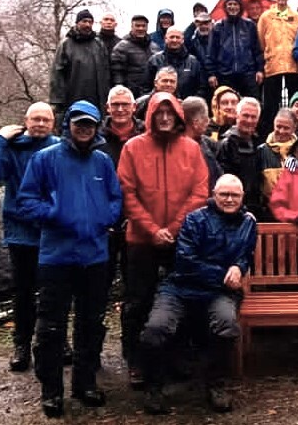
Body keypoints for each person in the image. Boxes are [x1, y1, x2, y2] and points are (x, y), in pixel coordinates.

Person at [17, 101, 122, 417]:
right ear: (69, 126)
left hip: (95, 255)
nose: (84, 129)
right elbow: (26, 200)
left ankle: (85, 383)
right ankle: (51, 391)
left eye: (89, 125)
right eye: (79, 124)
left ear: (95, 128)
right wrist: (54, 215)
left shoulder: (103, 162)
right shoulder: (45, 159)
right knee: (51, 327)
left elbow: (116, 197)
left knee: (91, 324)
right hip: (57, 257)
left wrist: (107, 217)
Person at [139, 174, 257, 415]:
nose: (229, 199)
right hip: (180, 287)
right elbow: (185, 261)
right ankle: (154, 387)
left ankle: (216, 384)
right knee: (155, 329)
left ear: (243, 197)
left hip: (220, 292)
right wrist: (226, 273)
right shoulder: (195, 219)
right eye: (224, 194)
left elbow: (246, 254)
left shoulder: (248, 222)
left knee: (226, 325)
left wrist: (239, 267)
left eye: (235, 195)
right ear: (214, 195)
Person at [117, 92, 209, 388]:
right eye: (160, 113)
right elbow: (127, 193)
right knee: (137, 301)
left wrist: (173, 226)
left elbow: (200, 191)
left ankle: (175, 355)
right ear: (151, 116)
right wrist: (152, 229)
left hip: (181, 239)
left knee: (180, 298)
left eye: (171, 114)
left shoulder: (191, 149)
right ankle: (137, 361)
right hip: (141, 239)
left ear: (179, 117)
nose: (165, 118)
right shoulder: (133, 147)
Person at [0, 102, 60, 372]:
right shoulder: (12, 148)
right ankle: (21, 345)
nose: (39, 124)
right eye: (35, 119)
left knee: (55, 291)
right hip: (21, 233)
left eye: (45, 120)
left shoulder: (60, 147)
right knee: (24, 293)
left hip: (52, 231)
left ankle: (57, 341)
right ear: (26, 121)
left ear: (53, 123)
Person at [98, 86, 145, 291]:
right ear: (107, 108)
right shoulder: (96, 137)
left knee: (135, 275)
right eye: (115, 105)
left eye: (124, 104)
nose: (120, 109)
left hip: (136, 213)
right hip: (104, 214)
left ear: (134, 107)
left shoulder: (146, 134)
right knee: (101, 276)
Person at [256, 0, 298, 137]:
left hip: (293, 65)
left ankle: (295, 131)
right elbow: (261, 39)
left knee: (293, 100)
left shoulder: (296, 16)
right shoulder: (266, 17)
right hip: (273, 65)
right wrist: (268, 54)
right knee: (271, 103)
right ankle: (271, 133)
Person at [49, 9, 111, 117]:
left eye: (90, 22)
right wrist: (57, 101)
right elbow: (57, 73)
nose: (87, 24)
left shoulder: (98, 44)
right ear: (77, 23)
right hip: (73, 95)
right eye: (84, 21)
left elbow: (106, 71)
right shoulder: (66, 45)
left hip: (97, 98)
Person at [207, 0, 265, 99]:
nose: (232, 7)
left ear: (240, 7)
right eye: (230, 4)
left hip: (248, 74)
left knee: (253, 102)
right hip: (225, 74)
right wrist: (211, 74)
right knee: (227, 104)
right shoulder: (218, 27)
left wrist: (260, 70)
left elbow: (257, 50)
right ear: (225, 7)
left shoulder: (250, 25)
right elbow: (211, 52)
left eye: (235, 4)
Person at [216, 97, 265, 219]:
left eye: (253, 117)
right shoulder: (226, 144)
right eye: (245, 116)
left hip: (253, 211)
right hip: (231, 210)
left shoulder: (258, 144)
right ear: (236, 116)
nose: (249, 120)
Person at [257, 108, 298, 219]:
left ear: (294, 128)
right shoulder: (261, 151)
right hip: (268, 213)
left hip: (296, 211)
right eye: (278, 126)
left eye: (286, 128)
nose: (281, 131)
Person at [147, 27, 204, 100]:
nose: (174, 40)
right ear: (166, 39)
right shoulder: (154, 60)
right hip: (161, 107)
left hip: (186, 107)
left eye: (177, 37)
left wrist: (190, 103)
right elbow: (146, 88)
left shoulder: (193, 62)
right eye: (172, 37)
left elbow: (202, 88)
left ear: (182, 40)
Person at [111, 15, 160, 99]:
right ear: (132, 27)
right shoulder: (121, 47)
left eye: (143, 26)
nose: (140, 28)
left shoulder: (154, 47)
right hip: (130, 93)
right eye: (137, 26)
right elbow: (117, 72)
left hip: (151, 92)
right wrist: (120, 90)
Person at [182, 95, 223, 192]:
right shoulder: (181, 150)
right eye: (206, 117)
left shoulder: (207, 143)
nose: (208, 121)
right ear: (196, 123)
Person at [187, 11, 214, 78]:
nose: (203, 26)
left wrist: (212, 75)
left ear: (211, 24)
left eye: (206, 23)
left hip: (217, 78)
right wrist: (192, 25)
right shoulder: (193, 42)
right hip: (199, 78)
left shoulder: (218, 40)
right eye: (200, 24)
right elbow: (184, 40)